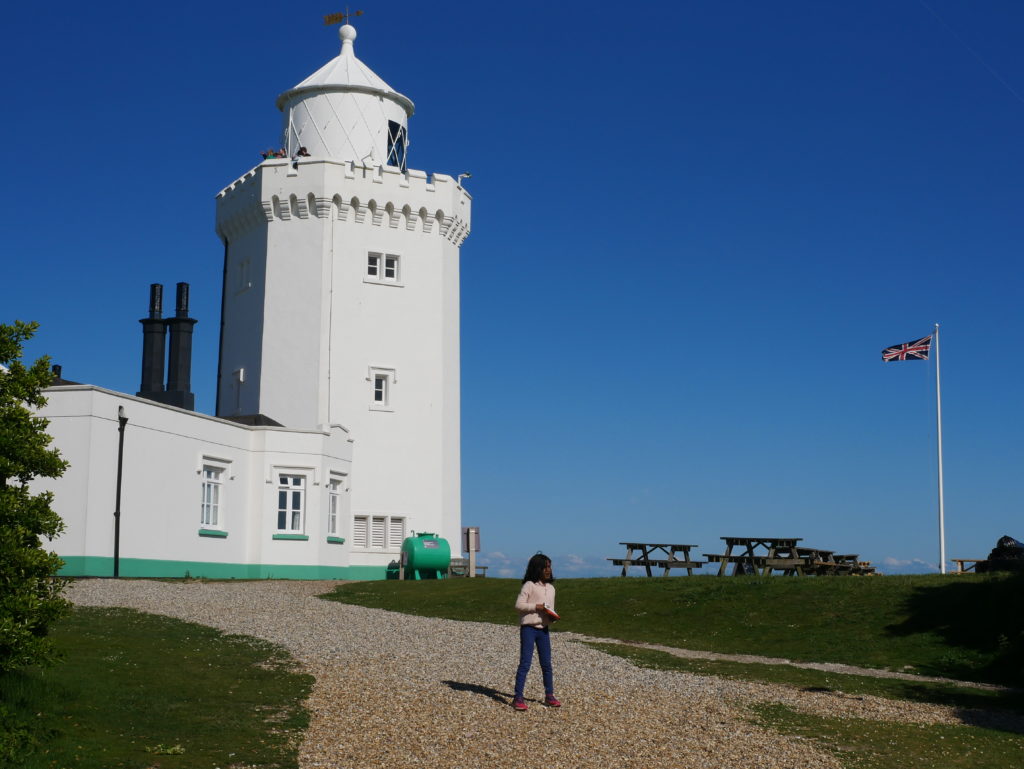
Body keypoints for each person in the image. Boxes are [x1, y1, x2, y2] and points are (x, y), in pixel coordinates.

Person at [512, 553, 561, 711]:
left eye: (549, 566)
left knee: (546, 664)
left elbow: (550, 609)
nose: (548, 570)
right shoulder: (529, 585)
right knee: (525, 663)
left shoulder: (551, 588)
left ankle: (549, 695)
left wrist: (552, 616)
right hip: (529, 628)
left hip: (544, 630)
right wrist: (536, 607)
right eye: (545, 567)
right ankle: (518, 697)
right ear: (537, 568)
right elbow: (519, 605)